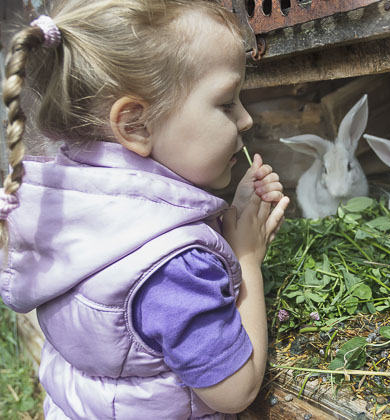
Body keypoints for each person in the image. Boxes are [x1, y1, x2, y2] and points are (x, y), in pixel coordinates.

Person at [0, 1, 290, 418]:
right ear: (135, 125)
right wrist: (246, 256)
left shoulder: (65, 204)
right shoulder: (175, 266)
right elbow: (235, 390)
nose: (246, 120)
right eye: (227, 102)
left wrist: (227, 219)